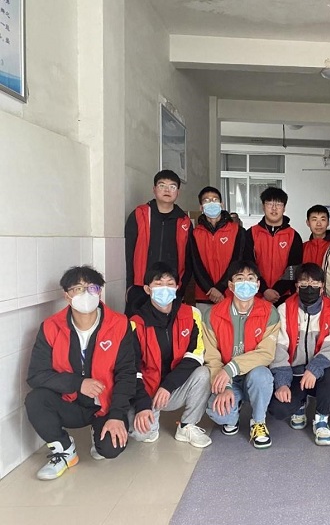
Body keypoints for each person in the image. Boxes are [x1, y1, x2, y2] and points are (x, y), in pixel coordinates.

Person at [25, 266, 135, 480]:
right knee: (35, 399)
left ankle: (98, 430)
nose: (86, 294)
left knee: (110, 449)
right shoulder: (50, 327)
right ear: (67, 296)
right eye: (78, 288)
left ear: (99, 292)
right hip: (71, 403)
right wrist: (78, 383)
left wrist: (116, 415)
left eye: (92, 288)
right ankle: (65, 451)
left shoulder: (120, 324)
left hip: (105, 404)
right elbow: (36, 375)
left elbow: (127, 373)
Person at [128, 263, 212, 448]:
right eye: (158, 284)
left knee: (204, 373)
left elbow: (196, 355)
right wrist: (142, 404)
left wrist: (167, 386)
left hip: (174, 388)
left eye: (170, 283)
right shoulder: (136, 323)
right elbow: (132, 370)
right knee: (141, 434)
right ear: (147, 289)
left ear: (177, 287)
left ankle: (187, 426)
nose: (164, 288)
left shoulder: (191, 314)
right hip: (148, 390)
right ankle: (151, 418)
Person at [203, 260, 280, 449]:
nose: (246, 283)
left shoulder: (269, 312)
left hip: (253, 375)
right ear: (230, 285)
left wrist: (231, 367)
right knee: (220, 414)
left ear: (258, 285)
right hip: (227, 377)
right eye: (240, 278)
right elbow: (212, 357)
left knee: (262, 375)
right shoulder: (212, 314)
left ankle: (258, 422)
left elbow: (266, 353)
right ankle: (234, 408)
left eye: (250, 278)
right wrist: (225, 386)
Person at [268, 263, 330, 446]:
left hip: (319, 374)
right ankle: (300, 404)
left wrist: (314, 369)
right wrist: (282, 383)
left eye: (314, 283)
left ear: (322, 287)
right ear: (296, 286)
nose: (309, 288)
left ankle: (321, 419)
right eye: (304, 283)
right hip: (293, 374)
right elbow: (278, 348)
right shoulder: (284, 309)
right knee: (278, 409)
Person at [124, 170, 192, 315]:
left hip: (170, 288)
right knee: (137, 324)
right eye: (162, 185)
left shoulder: (184, 221)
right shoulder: (140, 214)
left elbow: (189, 259)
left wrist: (181, 287)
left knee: (169, 325)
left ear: (178, 192)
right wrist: (129, 285)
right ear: (154, 189)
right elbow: (128, 253)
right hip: (140, 287)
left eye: (172, 186)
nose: (167, 190)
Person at [244, 187, 303, 306]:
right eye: (270, 203)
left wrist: (277, 291)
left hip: (284, 296)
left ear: (284, 208)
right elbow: (248, 264)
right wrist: (264, 290)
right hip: (256, 294)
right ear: (263, 206)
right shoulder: (251, 233)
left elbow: (293, 268)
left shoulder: (293, 236)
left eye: (279, 204)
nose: (274, 208)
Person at [191, 186, 245, 314]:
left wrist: (220, 288)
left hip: (230, 294)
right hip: (204, 295)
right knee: (205, 327)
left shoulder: (237, 231)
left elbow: (238, 261)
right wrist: (210, 289)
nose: (211, 203)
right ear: (201, 207)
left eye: (215, 200)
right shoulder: (195, 233)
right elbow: (195, 264)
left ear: (221, 204)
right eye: (206, 200)